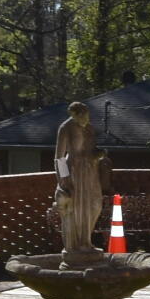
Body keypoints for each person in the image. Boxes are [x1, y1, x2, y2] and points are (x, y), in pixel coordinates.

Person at [53, 100, 105, 252]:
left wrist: (98, 154)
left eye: (87, 114)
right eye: (83, 115)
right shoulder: (65, 128)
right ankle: (78, 245)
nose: (87, 118)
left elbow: (91, 150)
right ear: (75, 114)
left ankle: (86, 240)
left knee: (95, 204)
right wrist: (64, 180)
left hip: (90, 171)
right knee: (77, 208)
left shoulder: (89, 128)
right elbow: (59, 157)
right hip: (74, 171)